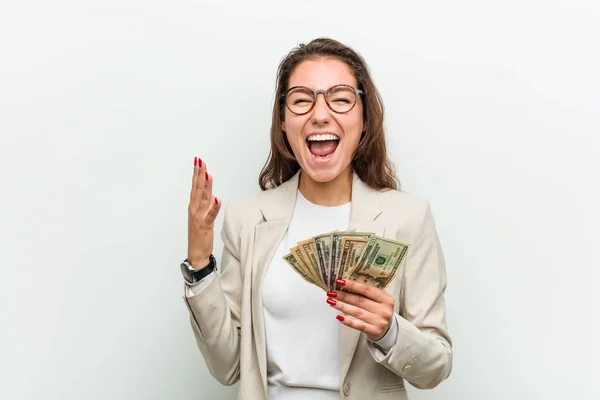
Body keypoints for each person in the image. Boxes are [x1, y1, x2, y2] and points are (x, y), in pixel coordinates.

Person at [180, 37, 452, 400]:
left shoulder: (408, 218)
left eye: (340, 98)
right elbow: (228, 365)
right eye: (301, 100)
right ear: (283, 122)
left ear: (365, 120)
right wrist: (199, 265)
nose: (320, 114)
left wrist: (388, 331)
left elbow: (436, 367)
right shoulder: (247, 220)